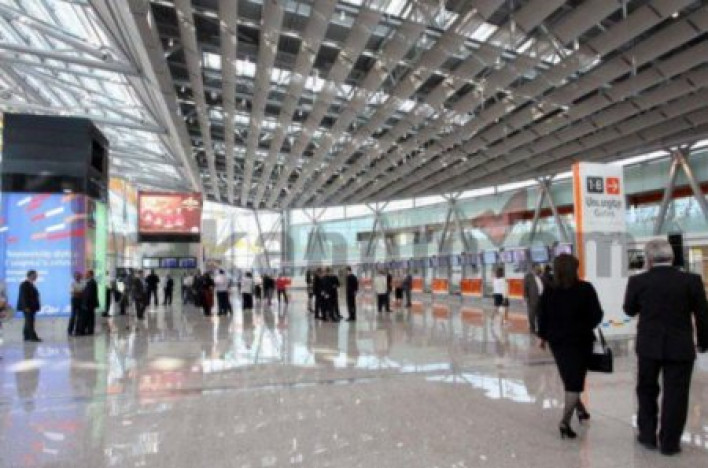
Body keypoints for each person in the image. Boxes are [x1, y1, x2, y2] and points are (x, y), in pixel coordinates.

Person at [623, 239, 708, 455]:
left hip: (648, 346)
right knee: (676, 394)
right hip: (680, 347)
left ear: (649, 260)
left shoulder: (638, 281)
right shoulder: (692, 280)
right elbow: (702, 316)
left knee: (646, 390)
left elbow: (629, 310)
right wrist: (703, 343)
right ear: (672, 257)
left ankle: (647, 436)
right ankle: (670, 443)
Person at [537, 254, 603, 440]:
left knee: (569, 376)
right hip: (580, 341)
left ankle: (580, 410)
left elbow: (542, 318)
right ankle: (564, 422)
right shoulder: (585, 289)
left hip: (557, 343)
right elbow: (597, 315)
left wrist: (543, 337)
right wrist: (584, 326)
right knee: (575, 381)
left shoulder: (549, 292)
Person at [17, 270, 42, 342]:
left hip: (32, 307)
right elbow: (23, 297)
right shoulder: (24, 284)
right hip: (28, 307)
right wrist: (26, 307)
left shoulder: (31, 284)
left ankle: (26, 336)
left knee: (28, 321)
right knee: (30, 321)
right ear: (30, 276)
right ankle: (33, 337)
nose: (36, 277)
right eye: (35, 275)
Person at [523, 264, 544, 335]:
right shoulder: (528, 276)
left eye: (539, 268)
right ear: (533, 269)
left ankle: (540, 328)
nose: (539, 269)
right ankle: (532, 328)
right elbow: (525, 287)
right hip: (532, 298)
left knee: (540, 314)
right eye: (537, 268)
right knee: (532, 314)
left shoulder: (540, 276)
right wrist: (525, 297)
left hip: (541, 298)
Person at [79, 270, 99, 335]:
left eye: (87, 274)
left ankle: (85, 331)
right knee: (90, 317)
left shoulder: (91, 283)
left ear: (90, 275)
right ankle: (90, 330)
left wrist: (85, 303)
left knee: (87, 317)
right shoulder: (91, 282)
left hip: (89, 303)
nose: (85, 275)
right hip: (90, 303)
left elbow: (89, 294)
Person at [68, 271, 84, 336]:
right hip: (74, 300)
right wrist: (79, 293)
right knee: (73, 316)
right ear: (74, 277)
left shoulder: (82, 283)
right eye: (76, 276)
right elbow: (73, 292)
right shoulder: (72, 283)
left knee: (80, 316)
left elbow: (84, 292)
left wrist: (78, 292)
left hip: (81, 300)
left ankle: (77, 330)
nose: (78, 277)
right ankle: (70, 330)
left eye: (79, 276)